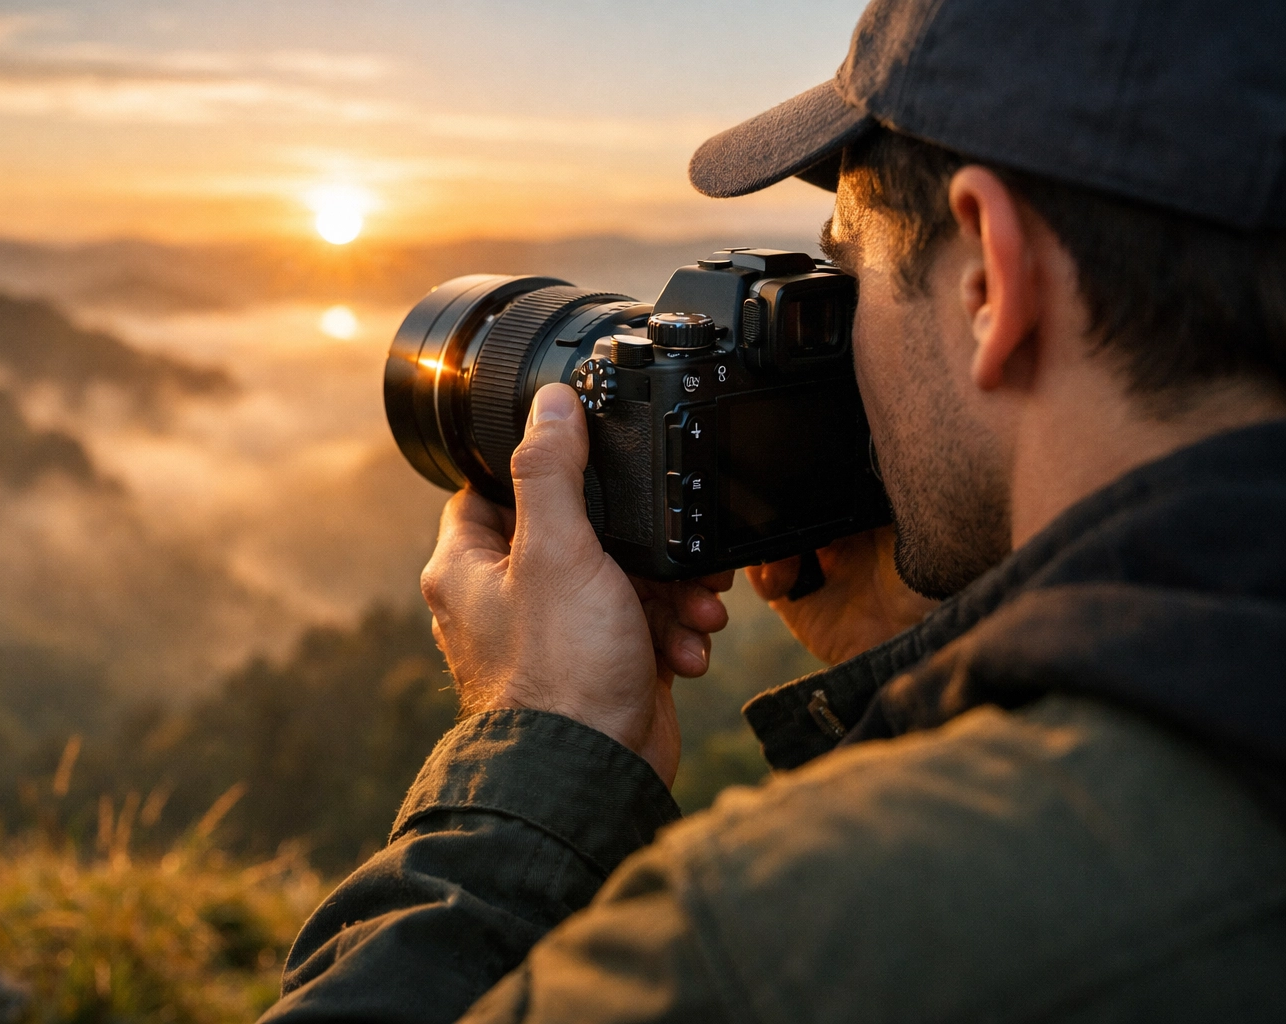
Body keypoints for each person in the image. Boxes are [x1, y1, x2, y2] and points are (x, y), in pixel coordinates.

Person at [262, 0, 1286, 1019]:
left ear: (990, 278)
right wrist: (922, 669)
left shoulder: (762, 944)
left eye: (850, 274)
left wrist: (538, 740)